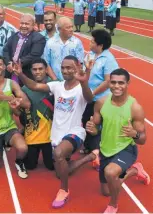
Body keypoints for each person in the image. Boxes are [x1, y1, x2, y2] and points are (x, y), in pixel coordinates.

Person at [14, 55, 94, 208]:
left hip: (75, 132)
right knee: (61, 171)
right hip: (57, 135)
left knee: (58, 154)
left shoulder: (81, 88)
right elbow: (35, 87)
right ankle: (90, 156)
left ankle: (64, 190)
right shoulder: (57, 85)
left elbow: (89, 98)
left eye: (69, 67)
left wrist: (84, 82)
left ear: (78, 66)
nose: (65, 70)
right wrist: (20, 74)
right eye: (63, 67)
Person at [86, 68, 150, 213]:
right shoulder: (101, 103)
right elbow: (95, 127)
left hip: (126, 148)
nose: (116, 86)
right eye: (113, 82)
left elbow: (143, 139)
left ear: (128, 83)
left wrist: (134, 133)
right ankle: (135, 170)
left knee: (110, 173)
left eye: (121, 83)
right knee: (106, 190)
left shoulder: (135, 108)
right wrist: (92, 129)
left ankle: (113, 205)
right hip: (106, 149)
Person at [81, 29, 118, 157]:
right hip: (88, 96)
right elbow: (85, 72)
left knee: (97, 123)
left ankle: (98, 150)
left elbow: (108, 81)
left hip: (100, 98)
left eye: (92, 41)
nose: (89, 43)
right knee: (86, 119)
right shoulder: (90, 55)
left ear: (100, 45)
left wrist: (93, 92)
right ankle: (88, 146)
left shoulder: (108, 59)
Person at [17, 58, 55, 171]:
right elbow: (20, 112)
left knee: (51, 166)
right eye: (35, 69)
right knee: (30, 166)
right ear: (31, 71)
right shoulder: (24, 89)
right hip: (32, 135)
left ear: (46, 70)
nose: (37, 72)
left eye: (40, 69)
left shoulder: (55, 85)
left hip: (51, 137)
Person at [3, 13, 46, 82]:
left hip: (27, 76)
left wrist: (16, 65)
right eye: (22, 23)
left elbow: (34, 55)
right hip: (10, 73)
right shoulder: (14, 36)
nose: (23, 26)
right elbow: (6, 50)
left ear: (33, 25)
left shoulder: (39, 38)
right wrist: (8, 63)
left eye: (27, 24)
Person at [44, 17, 85, 81]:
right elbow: (46, 63)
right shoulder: (50, 43)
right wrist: (54, 79)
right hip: (54, 81)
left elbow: (80, 63)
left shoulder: (77, 42)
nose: (71, 29)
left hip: (72, 81)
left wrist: (74, 79)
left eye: (72, 27)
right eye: (68, 27)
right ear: (59, 29)